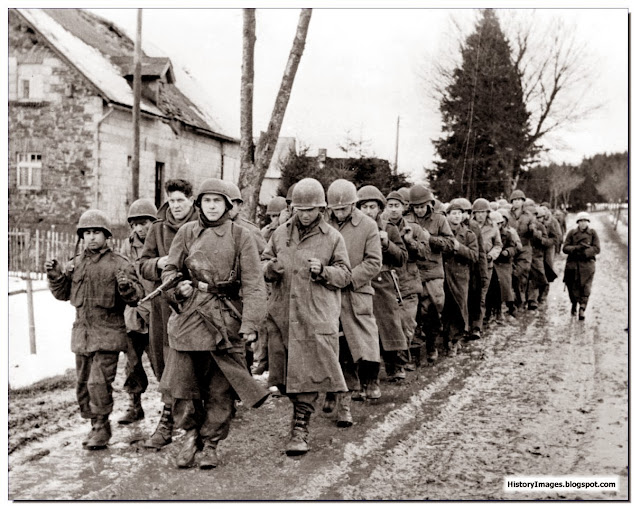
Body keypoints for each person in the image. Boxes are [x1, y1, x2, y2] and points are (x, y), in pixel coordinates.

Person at [159, 178, 269, 469]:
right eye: (206, 201)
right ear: (199, 204)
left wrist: (250, 323)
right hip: (188, 317)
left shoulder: (240, 236)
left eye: (217, 201)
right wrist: (177, 288)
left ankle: (210, 444)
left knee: (220, 389)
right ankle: (190, 434)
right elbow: (170, 271)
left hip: (225, 317)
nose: (211, 206)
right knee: (183, 384)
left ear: (227, 206)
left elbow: (255, 284)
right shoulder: (185, 233)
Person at [262, 177, 351, 455]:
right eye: (299, 209)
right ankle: (301, 411)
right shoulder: (279, 234)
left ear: (321, 209)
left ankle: (300, 427)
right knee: (285, 375)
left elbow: (345, 275)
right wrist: (270, 268)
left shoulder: (333, 237)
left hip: (314, 314)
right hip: (282, 315)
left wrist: (324, 271)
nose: (304, 214)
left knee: (308, 373)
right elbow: (263, 262)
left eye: (310, 209)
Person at [46, 210, 143, 450]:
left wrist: (126, 287)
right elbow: (62, 294)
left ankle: (102, 427)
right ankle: (94, 425)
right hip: (82, 335)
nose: (91, 237)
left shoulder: (118, 263)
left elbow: (136, 297)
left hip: (108, 334)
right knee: (82, 384)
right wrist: (55, 276)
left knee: (98, 384)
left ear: (106, 235)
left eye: (96, 233)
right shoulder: (75, 263)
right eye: (87, 233)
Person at [139, 179, 200, 450]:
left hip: (197, 306)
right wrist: (159, 263)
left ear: (191, 200)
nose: (175, 206)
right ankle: (171, 418)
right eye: (171, 200)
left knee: (193, 366)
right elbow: (142, 265)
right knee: (164, 362)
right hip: (163, 308)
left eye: (181, 200)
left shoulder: (204, 226)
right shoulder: (157, 229)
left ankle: (185, 424)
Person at [326, 179, 382, 425]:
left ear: (353, 204)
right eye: (335, 209)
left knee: (355, 349)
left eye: (344, 208)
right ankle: (336, 396)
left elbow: (373, 262)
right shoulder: (322, 225)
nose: (339, 212)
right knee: (331, 348)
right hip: (327, 294)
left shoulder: (367, 226)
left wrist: (347, 278)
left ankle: (351, 397)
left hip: (354, 294)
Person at [356, 185, 408, 382]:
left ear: (379, 208)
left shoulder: (389, 228)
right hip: (361, 281)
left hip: (383, 281)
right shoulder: (354, 229)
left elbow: (402, 257)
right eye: (364, 207)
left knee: (390, 325)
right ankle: (369, 375)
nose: (368, 211)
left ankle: (395, 365)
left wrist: (387, 243)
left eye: (372, 207)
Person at [118, 198, 158, 424]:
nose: (139, 228)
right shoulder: (127, 246)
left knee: (162, 364)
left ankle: (171, 409)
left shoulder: (161, 243)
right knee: (132, 365)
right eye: (134, 224)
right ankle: (135, 405)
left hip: (156, 314)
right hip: (134, 315)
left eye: (144, 223)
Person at [404, 184, 454, 363]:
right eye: (415, 206)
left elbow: (450, 244)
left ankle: (432, 345)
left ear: (429, 204)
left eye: (421, 206)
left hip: (433, 271)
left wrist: (430, 239)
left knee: (433, 309)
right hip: (412, 269)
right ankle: (414, 352)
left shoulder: (439, 220)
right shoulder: (406, 219)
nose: (418, 210)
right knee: (413, 311)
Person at [384, 189, 430, 373]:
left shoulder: (415, 228)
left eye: (397, 206)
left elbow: (425, 254)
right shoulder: (381, 227)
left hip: (409, 283)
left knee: (407, 324)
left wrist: (410, 241)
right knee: (391, 325)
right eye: (390, 206)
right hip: (387, 283)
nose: (394, 210)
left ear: (404, 208)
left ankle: (401, 363)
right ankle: (396, 366)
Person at [442, 200, 479, 356]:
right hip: (445, 274)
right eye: (453, 214)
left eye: (459, 213)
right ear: (447, 216)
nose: (456, 217)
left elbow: (474, 255)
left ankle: (455, 340)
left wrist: (459, 248)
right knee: (446, 308)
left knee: (459, 307)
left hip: (461, 276)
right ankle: (448, 340)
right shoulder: (443, 232)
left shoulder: (469, 234)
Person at [562, 212, 600, 320]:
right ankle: (574, 303)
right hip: (573, 264)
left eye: (585, 221)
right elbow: (565, 248)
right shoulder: (572, 233)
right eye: (581, 221)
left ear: (588, 222)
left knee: (586, 288)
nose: (583, 223)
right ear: (577, 222)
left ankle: (582, 308)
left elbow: (597, 248)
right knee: (572, 287)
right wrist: (576, 248)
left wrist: (586, 252)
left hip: (587, 265)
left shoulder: (593, 233)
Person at [472, 199, 502, 327]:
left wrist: (492, 255)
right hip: (472, 264)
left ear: (487, 213)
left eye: (483, 212)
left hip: (487, 265)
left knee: (483, 294)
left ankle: (478, 324)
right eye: (478, 212)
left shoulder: (493, 226)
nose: (480, 215)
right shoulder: (470, 225)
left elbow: (498, 244)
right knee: (472, 294)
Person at [508, 190, 535, 309]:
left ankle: (522, 299)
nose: (517, 202)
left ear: (523, 201)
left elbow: (533, 231)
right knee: (512, 275)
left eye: (519, 200)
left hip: (525, 248)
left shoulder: (529, 216)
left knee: (521, 272)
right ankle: (518, 298)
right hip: (512, 247)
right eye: (514, 200)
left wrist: (532, 230)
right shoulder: (507, 215)